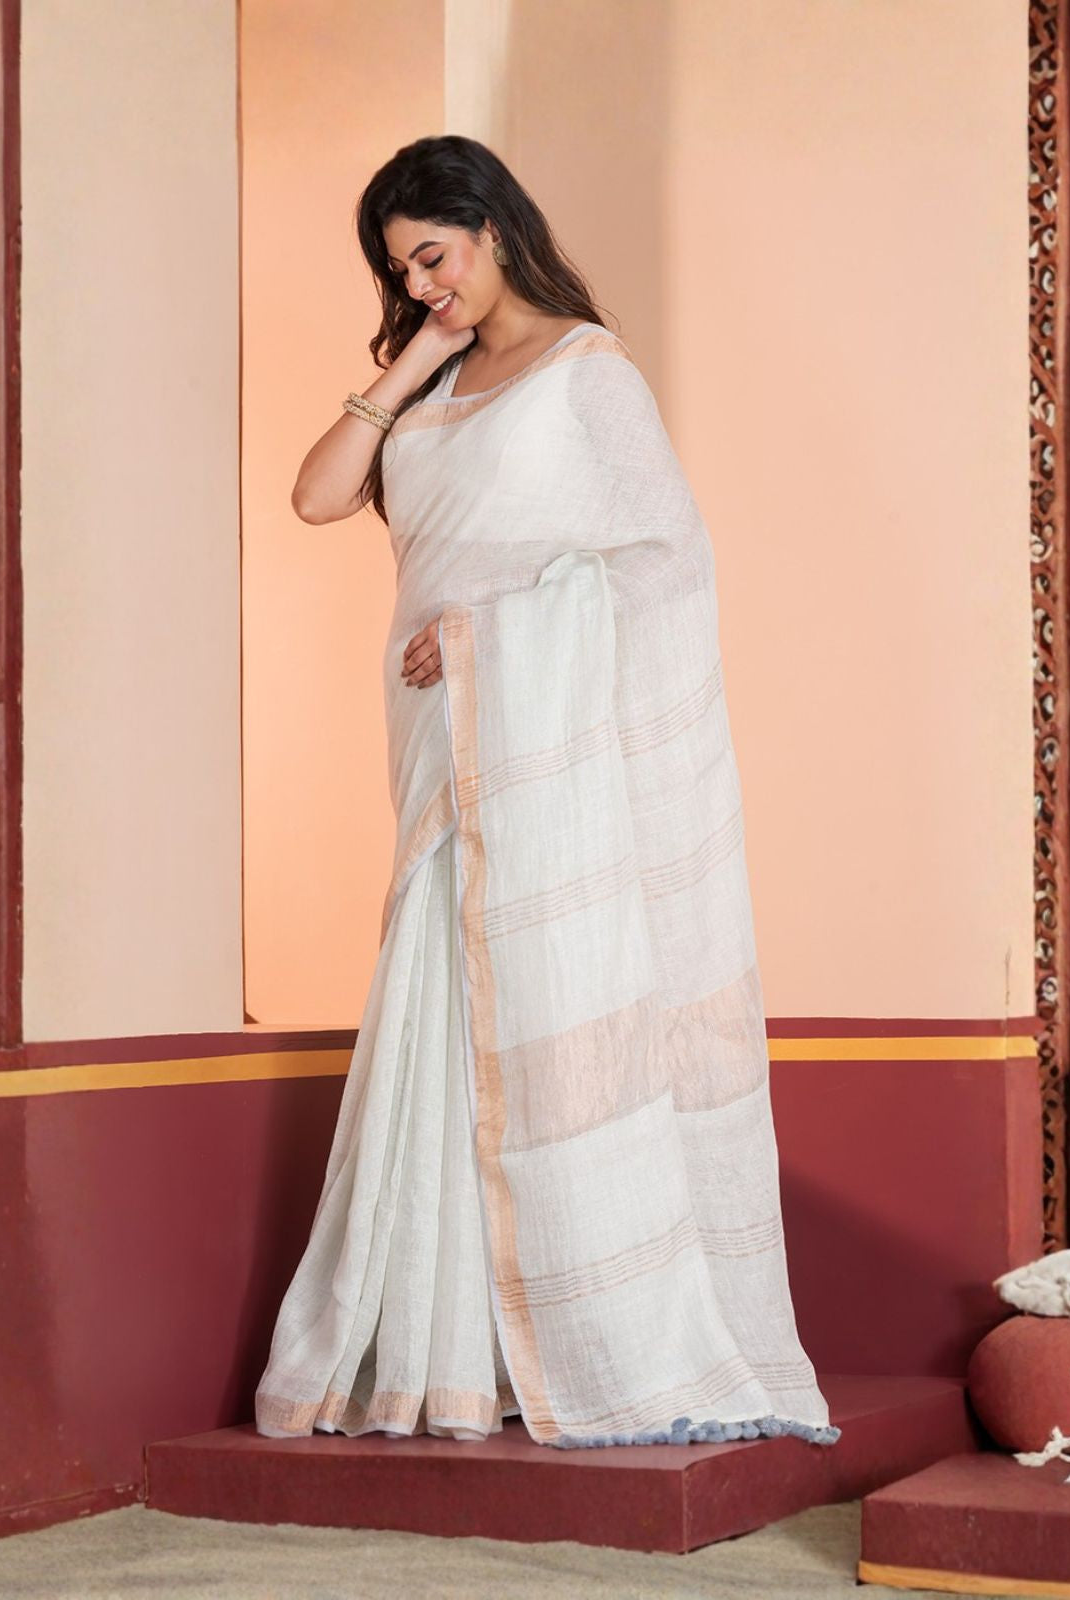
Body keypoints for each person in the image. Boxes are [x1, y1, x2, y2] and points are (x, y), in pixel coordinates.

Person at [254, 134, 840, 1452]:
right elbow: (315, 495)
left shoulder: (589, 374)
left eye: (434, 256)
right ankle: (452, 1353)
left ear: (494, 225)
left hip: (537, 740)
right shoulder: (431, 377)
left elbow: (666, 563)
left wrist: (494, 637)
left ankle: (568, 1340)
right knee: (446, 1000)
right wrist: (416, 351)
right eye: (403, 270)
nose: (423, 283)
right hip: (437, 740)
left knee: (536, 1007)